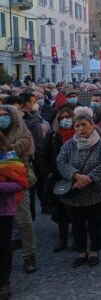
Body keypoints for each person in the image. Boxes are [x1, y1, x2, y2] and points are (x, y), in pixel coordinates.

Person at [56, 111, 101, 268]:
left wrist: (88, 178)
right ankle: (81, 252)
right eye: (77, 126)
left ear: (92, 126)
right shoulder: (69, 145)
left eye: (84, 125)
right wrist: (76, 176)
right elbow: (61, 162)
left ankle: (94, 251)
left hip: (96, 191)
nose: (81, 129)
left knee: (95, 222)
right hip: (75, 192)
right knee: (77, 224)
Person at [0, 106, 36, 274]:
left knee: (23, 220)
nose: (2, 119)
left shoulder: (23, 134)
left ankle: (29, 256)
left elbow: (15, 150)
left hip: (19, 180)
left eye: (6, 115)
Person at [0, 130, 28, 299]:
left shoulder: (9, 159)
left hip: (3, 210)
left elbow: (20, 184)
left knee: (3, 247)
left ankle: (4, 281)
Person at [45, 108, 76, 253]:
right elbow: (43, 156)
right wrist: (49, 173)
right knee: (61, 210)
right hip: (58, 179)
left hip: (76, 178)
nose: (65, 120)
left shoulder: (79, 134)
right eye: (62, 118)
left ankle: (78, 239)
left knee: (76, 210)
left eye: (68, 117)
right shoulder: (53, 136)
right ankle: (62, 238)